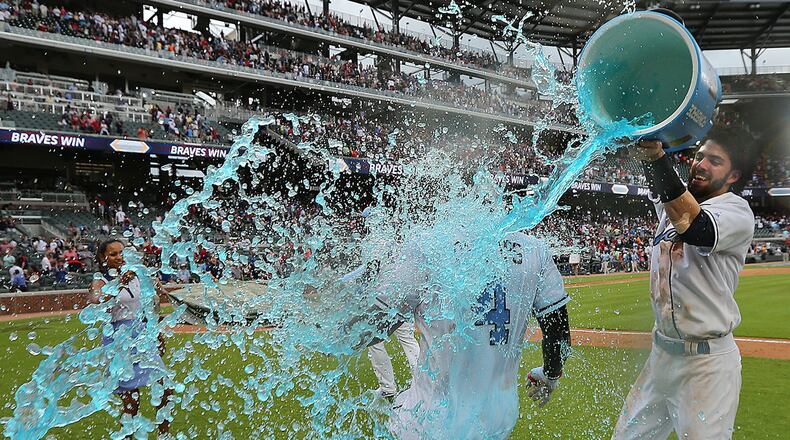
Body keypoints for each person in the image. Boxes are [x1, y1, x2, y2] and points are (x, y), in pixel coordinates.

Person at [353, 231, 572, 439]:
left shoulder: (427, 244)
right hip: (498, 420)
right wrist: (549, 376)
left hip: (431, 420)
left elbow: (373, 327)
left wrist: (333, 334)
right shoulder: (534, 249)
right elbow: (559, 335)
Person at [613, 126, 756, 440]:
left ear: (733, 176)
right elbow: (667, 191)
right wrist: (645, 134)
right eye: (700, 155)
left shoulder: (737, 212)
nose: (701, 164)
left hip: (706, 365)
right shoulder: (674, 203)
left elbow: (694, 226)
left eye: (715, 161)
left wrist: (658, 158)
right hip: (661, 355)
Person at [88, 239, 174, 436]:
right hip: (120, 339)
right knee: (131, 400)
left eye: (121, 253)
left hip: (142, 333)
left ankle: (164, 434)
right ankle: (127, 436)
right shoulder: (101, 278)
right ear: (103, 257)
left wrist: (157, 331)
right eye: (113, 254)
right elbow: (95, 300)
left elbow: (152, 301)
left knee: (165, 388)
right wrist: (119, 283)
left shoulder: (137, 274)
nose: (119, 257)